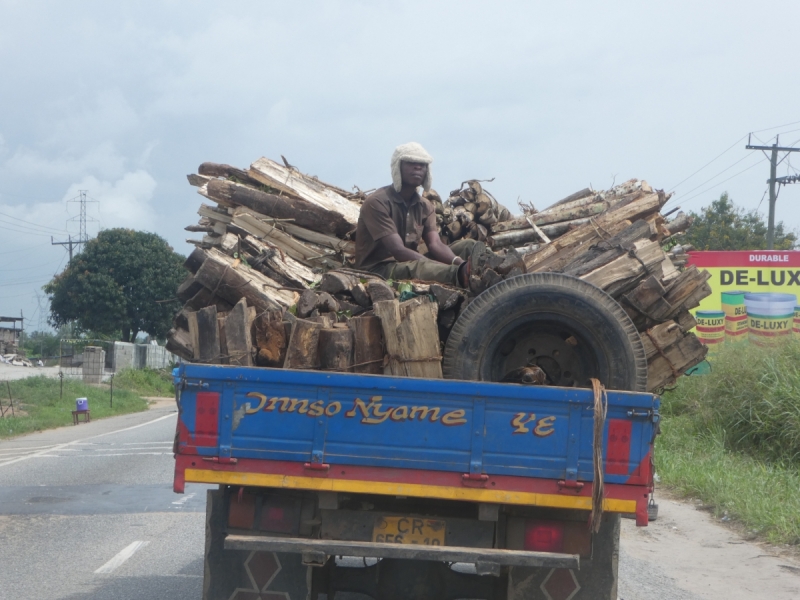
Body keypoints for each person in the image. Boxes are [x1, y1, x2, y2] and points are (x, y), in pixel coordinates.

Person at [355, 142, 522, 291]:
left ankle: (502, 267)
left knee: (468, 245)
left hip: (410, 262)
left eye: (422, 165)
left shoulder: (425, 206)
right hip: (380, 270)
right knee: (419, 268)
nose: (418, 168)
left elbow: (435, 244)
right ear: (398, 167)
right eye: (411, 163)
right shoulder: (377, 202)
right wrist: (452, 268)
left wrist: (457, 261)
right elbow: (398, 250)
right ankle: (463, 276)